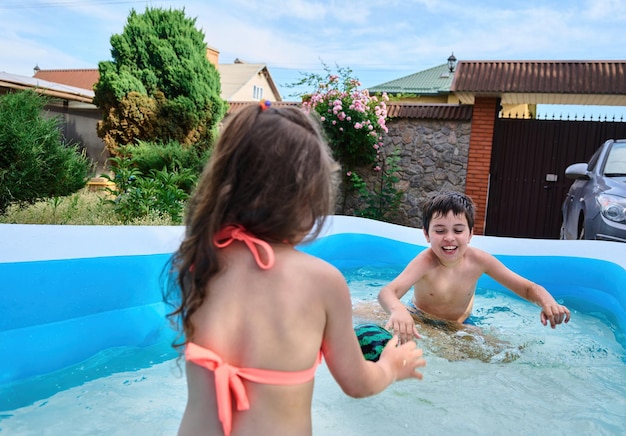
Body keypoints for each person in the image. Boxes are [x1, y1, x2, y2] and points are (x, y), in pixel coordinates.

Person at [165, 101, 426, 436]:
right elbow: (357, 383)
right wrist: (390, 367)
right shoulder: (321, 281)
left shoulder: (199, 261)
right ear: (308, 193)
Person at [378, 191, 571, 344]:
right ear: (427, 235)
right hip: (419, 317)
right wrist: (398, 310)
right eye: (439, 230)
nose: (449, 237)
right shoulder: (425, 262)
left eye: (458, 230)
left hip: (460, 324)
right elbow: (387, 292)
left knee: (502, 352)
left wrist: (547, 302)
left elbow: (527, 288)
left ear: (470, 234)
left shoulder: (480, 260)